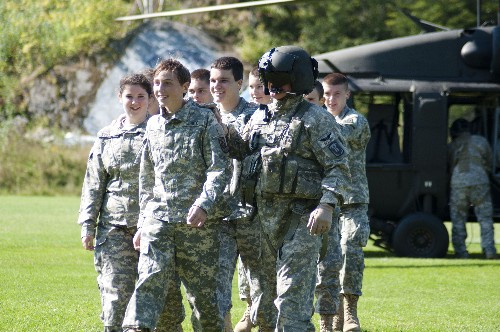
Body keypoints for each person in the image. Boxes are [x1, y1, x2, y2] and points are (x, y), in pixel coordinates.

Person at [222, 45, 350, 331]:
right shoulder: (258, 116)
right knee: (264, 302)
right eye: (270, 78)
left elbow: (339, 166)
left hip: (300, 221)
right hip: (260, 222)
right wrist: (214, 123)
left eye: (282, 79)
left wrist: (327, 205)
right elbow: (239, 150)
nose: (274, 86)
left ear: (299, 80)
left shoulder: (315, 119)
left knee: (292, 300)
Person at [121, 58, 231, 331]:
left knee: (204, 303)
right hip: (160, 221)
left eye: (167, 83)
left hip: (197, 226)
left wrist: (204, 204)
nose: (159, 89)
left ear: (184, 87)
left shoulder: (205, 119)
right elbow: (147, 179)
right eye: (156, 83)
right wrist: (144, 221)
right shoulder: (153, 125)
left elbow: (219, 169)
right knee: (149, 281)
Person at [78, 73, 153, 332]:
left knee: (153, 303)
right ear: (120, 98)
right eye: (129, 96)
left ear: (149, 98)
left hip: (154, 229)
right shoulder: (106, 136)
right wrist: (87, 225)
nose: (134, 102)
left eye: (140, 96)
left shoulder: (159, 131)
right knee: (115, 297)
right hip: (114, 230)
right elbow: (93, 183)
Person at [209, 56, 259, 332]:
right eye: (213, 80)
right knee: (217, 283)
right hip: (218, 215)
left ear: (239, 84)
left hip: (252, 213)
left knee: (261, 283)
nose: (217, 86)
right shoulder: (203, 115)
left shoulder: (257, 115)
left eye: (224, 80)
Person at [319, 72, 371, 332]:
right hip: (327, 203)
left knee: (351, 252)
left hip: (352, 202)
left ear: (347, 94)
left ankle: (350, 311)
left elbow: (339, 133)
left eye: (336, 94)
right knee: (326, 262)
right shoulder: (317, 119)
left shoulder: (355, 120)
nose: (330, 99)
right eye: (326, 94)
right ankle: (329, 317)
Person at [233, 66, 274, 332]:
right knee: (249, 267)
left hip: (274, 205)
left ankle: (267, 319)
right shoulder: (254, 117)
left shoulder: (281, 117)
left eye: (260, 87)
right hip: (248, 203)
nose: (256, 92)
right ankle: (252, 311)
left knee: (270, 270)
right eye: (252, 87)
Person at [448, 118, 497, 259]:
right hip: (480, 181)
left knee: (458, 218)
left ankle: (461, 252)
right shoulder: (481, 141)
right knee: (485, 218)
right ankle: (489, 251)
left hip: (459, 183)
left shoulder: (453, 145)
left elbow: (448, 165)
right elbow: (490, 162)